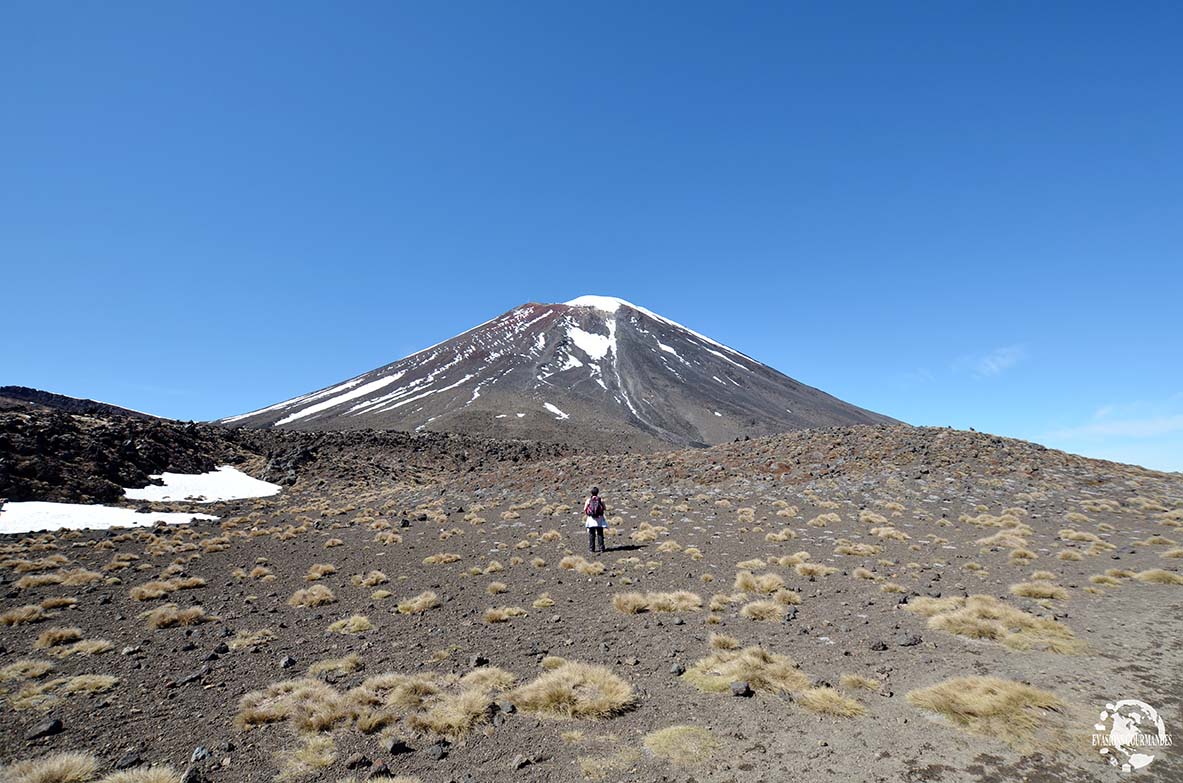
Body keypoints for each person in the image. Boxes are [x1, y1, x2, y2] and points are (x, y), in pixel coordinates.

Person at [583, 487, 607, 553]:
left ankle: (591, 549)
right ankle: (601, 548)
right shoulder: (601, 500)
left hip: (591, 519)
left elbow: (585, 509)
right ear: (597, 492)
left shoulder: (588, 500)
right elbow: (605, 508)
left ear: (591, 492)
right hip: (599, 519)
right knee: (600, 534)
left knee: (591, 534)